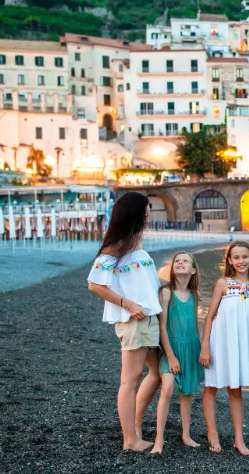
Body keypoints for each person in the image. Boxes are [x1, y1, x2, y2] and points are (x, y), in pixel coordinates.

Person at [87, 192, 162, 452]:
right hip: (134, 320)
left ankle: (134, 425)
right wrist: (128, 304)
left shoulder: (135, 242)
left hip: (149, 318)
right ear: (136, 213)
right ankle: (130, 439)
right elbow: (95, 284)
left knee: (157, 373)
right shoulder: (116, 247)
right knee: (130, 380)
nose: (149, 214)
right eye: (147, 210)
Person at [200, 241, 249, 455]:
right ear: (229, 260)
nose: (241, 261)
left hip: (242, 345)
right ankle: (213, 434)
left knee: (235, 390)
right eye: (236, 257)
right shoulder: (223, 283)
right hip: (220, 343)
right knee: (211, 387)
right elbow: (210, 316)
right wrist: (205, 347)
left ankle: (239, 440)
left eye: (245, 257)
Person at [151, 252, 204, 455]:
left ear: (193, 270)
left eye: (185, 261)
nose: (180, 263)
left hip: (191, 349)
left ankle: (186, 434)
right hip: (171, 349)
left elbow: (195, 326)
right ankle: (159, 439)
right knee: (167, 387)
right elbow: (162, 327)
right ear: (173, 268)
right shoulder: (166, 293)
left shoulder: (194, 295)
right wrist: (171, 356)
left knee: (187, 393)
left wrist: (201, 350)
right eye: (177, 261)